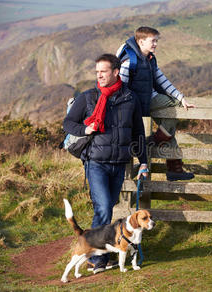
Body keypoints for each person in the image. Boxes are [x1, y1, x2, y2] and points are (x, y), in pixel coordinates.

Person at [63, 53, 148, 273]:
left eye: (104, 71)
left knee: (108, 207)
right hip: (96, 162)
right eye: (97, 72)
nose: (99, 75)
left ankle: (98, 252)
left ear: (116, 72)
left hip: (119, 163)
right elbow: (68, 123)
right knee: (102, 208)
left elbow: (138, 131)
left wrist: (144, 162)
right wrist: (85, 129)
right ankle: (97, 261)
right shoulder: (89, 97)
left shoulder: (130, 98)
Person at [116, 26, 195, 181]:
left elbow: (162, 80)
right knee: (171, 119)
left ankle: (174, 170)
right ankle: (156, 144)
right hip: (139, 103)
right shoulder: (128, 62)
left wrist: (180, 97)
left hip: (150, 98)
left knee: (168, 131)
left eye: (156, 41)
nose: (156, 44)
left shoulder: (150, 59)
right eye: (153, 41)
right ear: (141, 41)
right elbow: (121, 88)